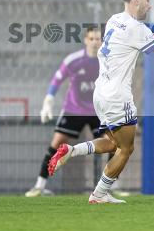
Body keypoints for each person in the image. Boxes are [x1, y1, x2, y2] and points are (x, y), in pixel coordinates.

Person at [47, 0, 154, 204]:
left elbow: (126, 43)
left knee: (112, 142)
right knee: (126, 149)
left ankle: (71, 150)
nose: (150, 5)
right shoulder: (139, 30)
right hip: (118, 96)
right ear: (136, 0)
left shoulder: (114, 20)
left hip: (100, 93)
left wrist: (149, 38)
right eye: (148, 0)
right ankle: (99, 194)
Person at [26, 27, 102, 197]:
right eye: (92, 39)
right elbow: (57, 80)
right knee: (57, 143)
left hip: (98, 110)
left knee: (111, 142)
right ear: (85, 40)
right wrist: (48, 102)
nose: (95, 42)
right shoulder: (73, 60)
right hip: (74, 109)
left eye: (98, 39)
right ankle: (39, 185)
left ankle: (112, 184)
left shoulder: (107, 60)